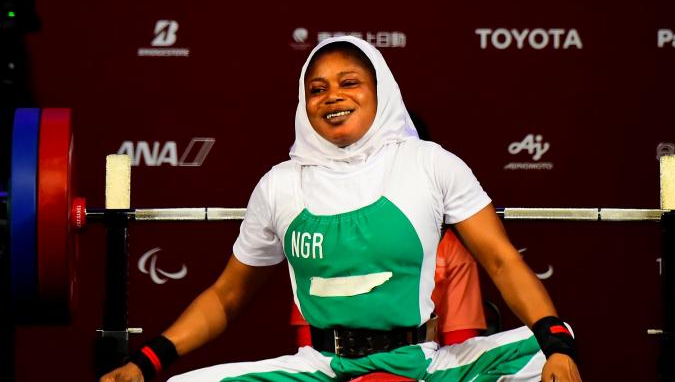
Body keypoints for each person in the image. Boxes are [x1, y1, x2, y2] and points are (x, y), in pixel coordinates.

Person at [100, 36, 582, 382]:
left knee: (547, 358)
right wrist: (147, 362)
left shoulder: (430, 164)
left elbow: (501, 260)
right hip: (321, 368)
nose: (333, 96)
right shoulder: (279, 185)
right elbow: (226, 298)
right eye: (317, 88)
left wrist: (557, 343)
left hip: (422, 364)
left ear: (380, 92)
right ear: (303, 103)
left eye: (350, 82)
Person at [290, 228, 487, 347]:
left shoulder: (450, 247)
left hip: (421, 368)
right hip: (337, 369)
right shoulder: (326, 240)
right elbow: (310, 339)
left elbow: (459, 345)